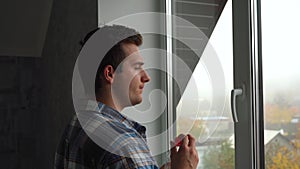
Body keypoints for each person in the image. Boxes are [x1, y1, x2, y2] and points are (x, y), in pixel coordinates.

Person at [54, 25, 199, 169]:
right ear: (110, 74)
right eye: (137, 67)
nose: (146, 77)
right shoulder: (122, 145)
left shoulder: (77, 124)